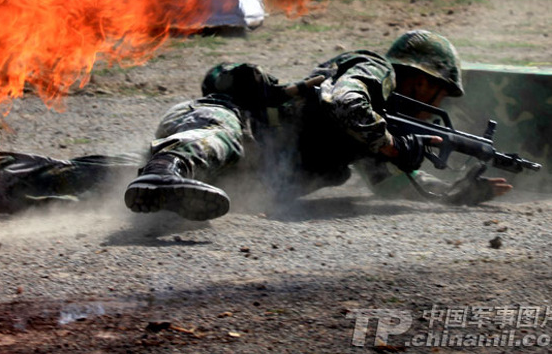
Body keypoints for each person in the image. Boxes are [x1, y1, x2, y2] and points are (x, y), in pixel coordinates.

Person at [122, 30, 512, 221]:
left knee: (115, 183)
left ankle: (62, 179)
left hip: (237, 175)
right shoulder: (375, 69)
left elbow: (391, 183)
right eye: (440, 93)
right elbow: (345, 102)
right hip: (225, 122)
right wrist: (393, 145)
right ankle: (162, 172)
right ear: (421, 80)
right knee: (219, 137)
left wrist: (454, 192)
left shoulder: (372, 127)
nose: (437, 105)